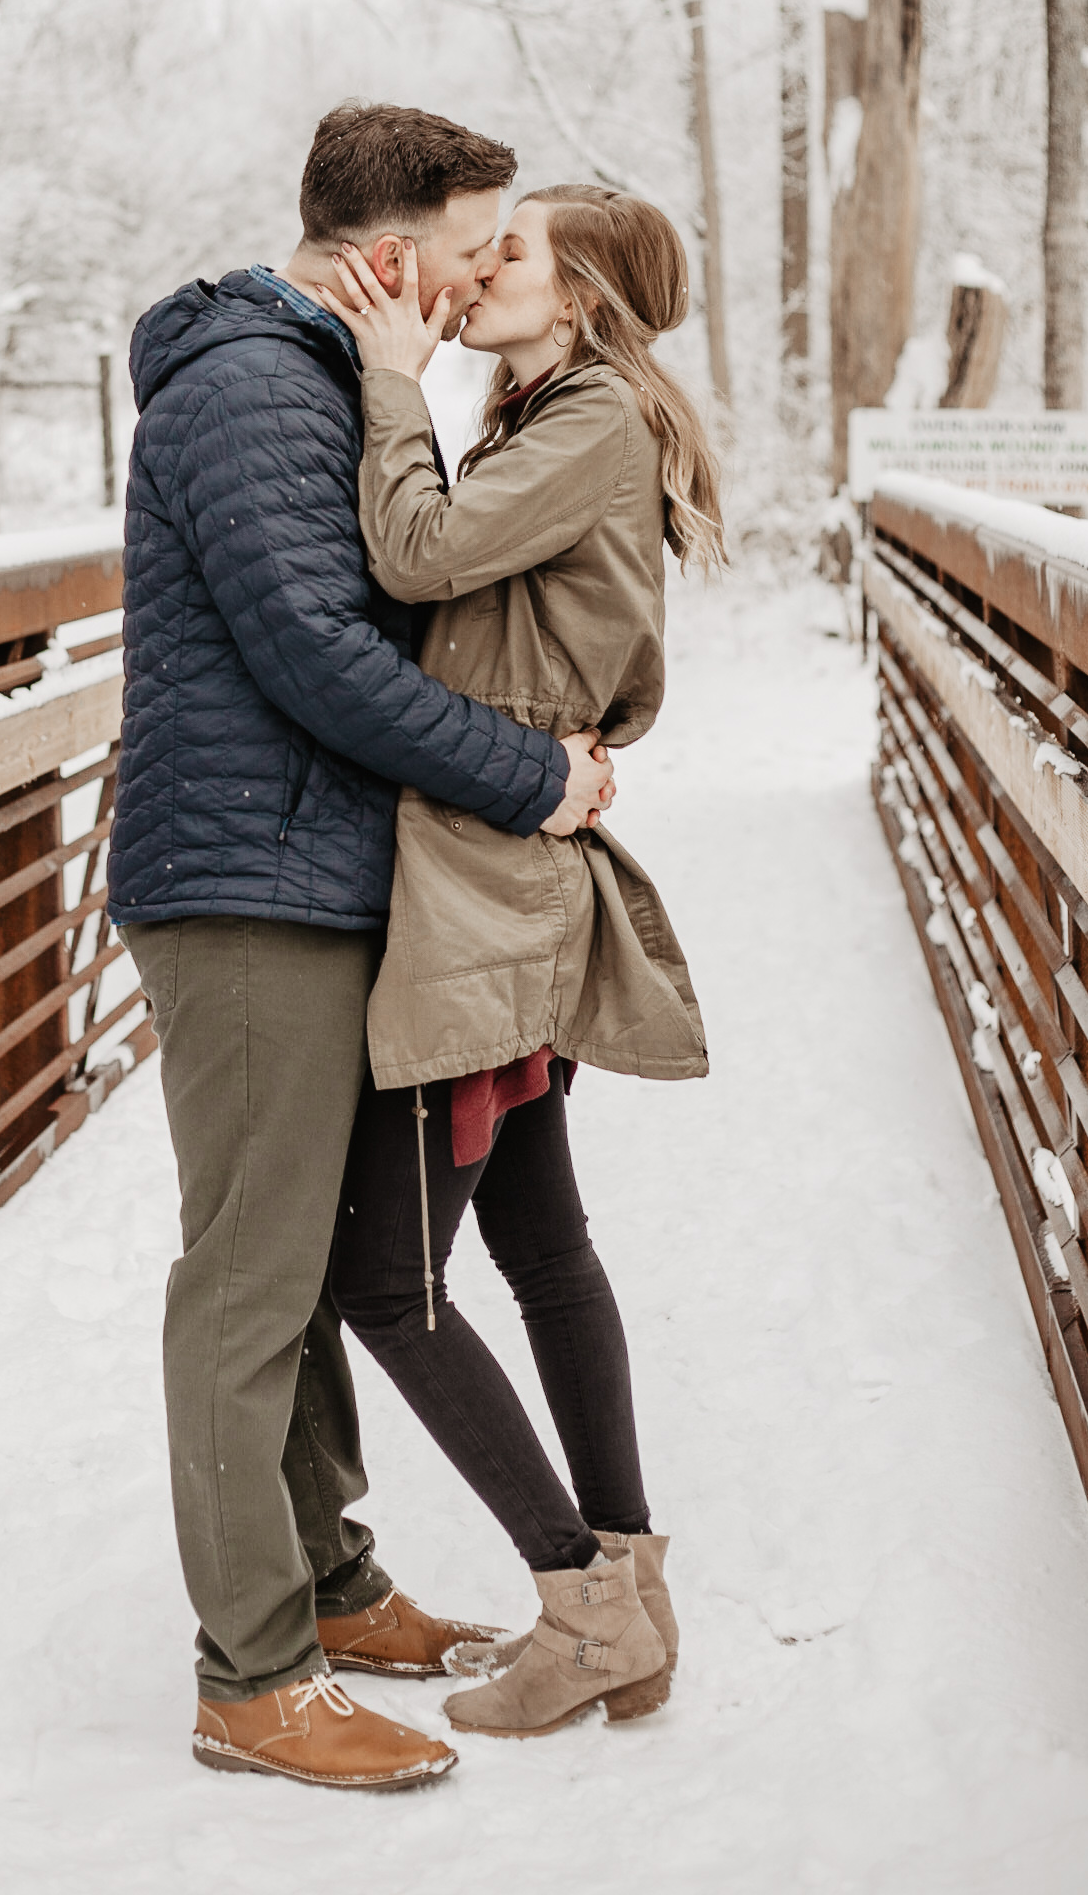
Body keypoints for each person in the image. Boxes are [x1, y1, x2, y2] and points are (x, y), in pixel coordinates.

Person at [108, 104, 615, 1792]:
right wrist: (536, 778)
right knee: (247, 1283)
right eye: (476, 252)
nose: (484, 282)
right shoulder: (258, 389)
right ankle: (249, 1677)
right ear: (386, 255)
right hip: (246, 890)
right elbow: (324, 656)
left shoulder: (324, 377)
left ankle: (325, 1587)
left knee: (313, 1265)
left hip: (308, 874)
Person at [315, 183, 724, 1741]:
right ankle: (633, 1589)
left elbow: (417, 556)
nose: (480, 270)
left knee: (386, 1280)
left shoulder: (590, 421)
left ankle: (582, 1603)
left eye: (513, 257)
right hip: (502, 870)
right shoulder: (558, 411)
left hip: (489, 890)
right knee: (544, 1253)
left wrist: (386, 377)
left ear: (585, 299)